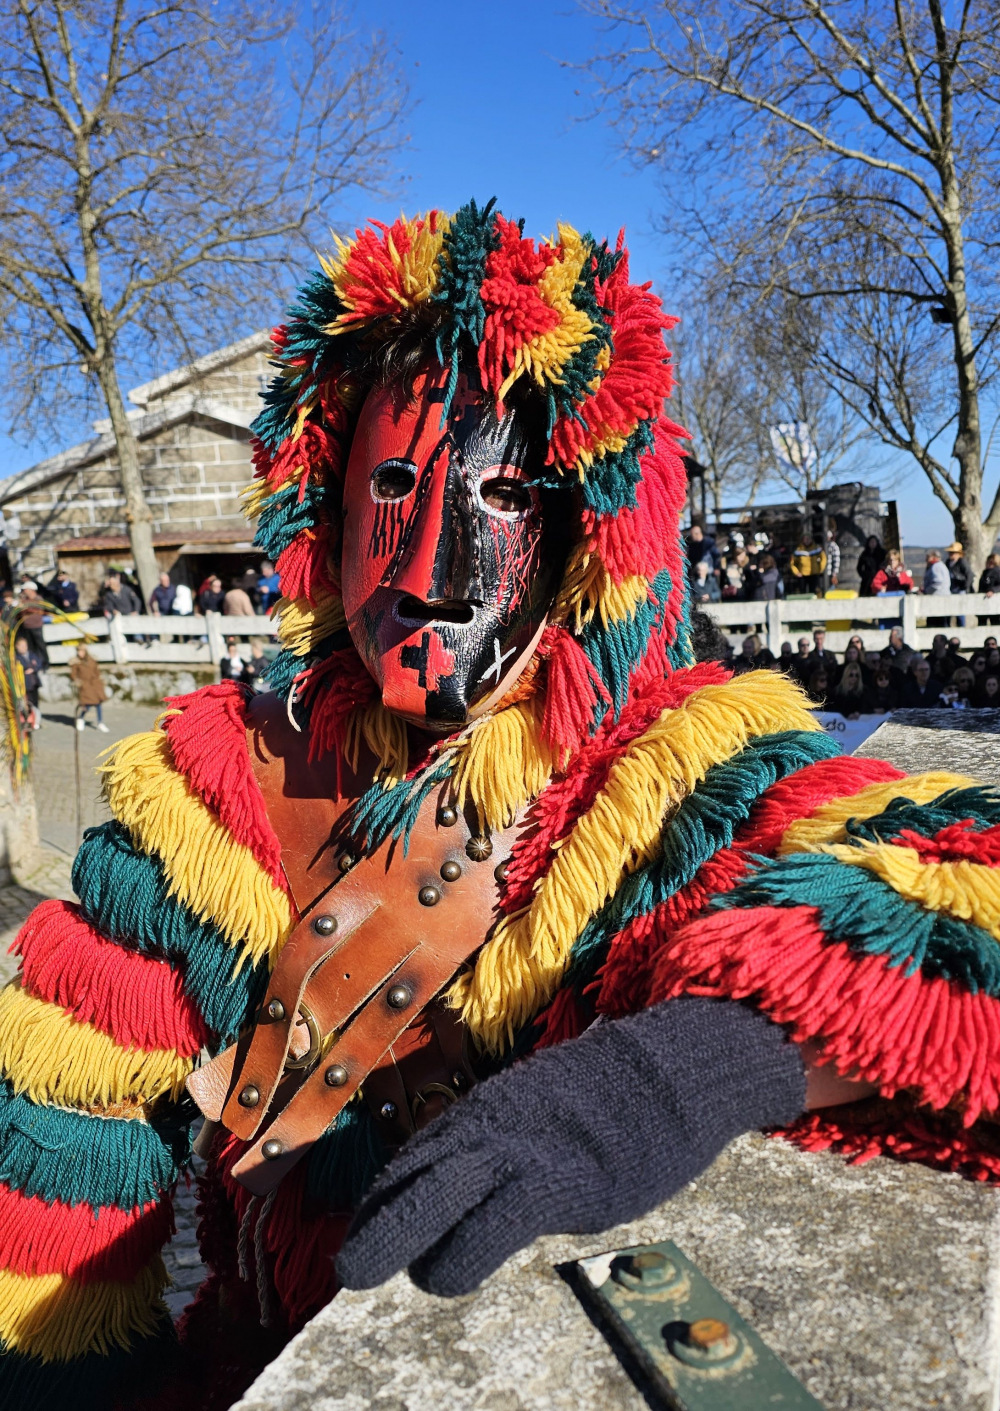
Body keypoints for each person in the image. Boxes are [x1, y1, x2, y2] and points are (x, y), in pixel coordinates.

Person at [6, 203, 1000, 1410]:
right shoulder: (220, 778)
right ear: (321, 507)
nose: (432, 573)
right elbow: (53, 1116)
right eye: (392, 486)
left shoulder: (677, 765)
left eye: (507, 500)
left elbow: (959, 892)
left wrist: (670, 1077)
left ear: (590, 529)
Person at [69, 644, 109, 732]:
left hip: (95, 684)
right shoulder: (76, 662)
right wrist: (78, 682)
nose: (80, 653)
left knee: (98, 704)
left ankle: (100, 722)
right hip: (85, 685)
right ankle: (80, 718)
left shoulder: (92, 660)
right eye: (79, 651)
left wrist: (99, 680)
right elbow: (73, 675)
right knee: (87, 705)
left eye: (82, 651)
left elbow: (96, 671)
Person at [14, 633, 43, 729]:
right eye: (21, 646)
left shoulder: (32, 654)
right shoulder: (16, 658)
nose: (24, 647)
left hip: (34, 683)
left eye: (25, 645)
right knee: (25, 704)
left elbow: (38, 663)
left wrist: (33, 668)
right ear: (17, 647)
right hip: (24, 685)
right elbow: (21, 667)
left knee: (35, 703)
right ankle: (26, 720)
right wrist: (31, 666)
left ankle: (36, 721)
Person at [17, 580, 49, 665]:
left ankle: (45, 663)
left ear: (31, 590)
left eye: (26, 589)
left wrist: (25, 608)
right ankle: (35, 663)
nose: (24, 591)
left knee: (40, 645)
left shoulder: (38, 599)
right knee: (31, 647)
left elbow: (39, 610)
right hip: (27, 626)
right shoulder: (24, 600)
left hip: (36, 626)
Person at [923, 551, 952, 627]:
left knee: (937, 623)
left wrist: (927, 590)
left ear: (933, 557)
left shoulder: (936, 566)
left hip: (938, 598)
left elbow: (938, 582)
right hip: (943, 597)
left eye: (928, 557)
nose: (926, 560)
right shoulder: (940, 565)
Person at [979, 553, 1000, 626]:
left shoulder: (998, 572)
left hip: (994, 603)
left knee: (995, 622)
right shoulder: (985, 572)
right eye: (988, 561)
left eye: (992, 562)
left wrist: (992, 590)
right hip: (983, 602)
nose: (989, 563)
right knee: (982, 623)